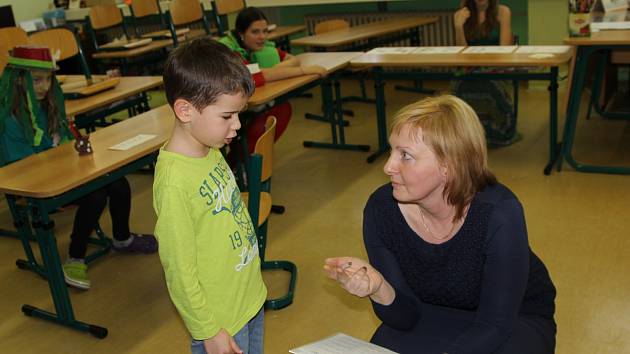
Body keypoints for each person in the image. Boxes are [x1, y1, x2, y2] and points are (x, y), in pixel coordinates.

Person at [324, 95, 556, 354]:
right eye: (392, 150)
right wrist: (379, 287)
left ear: (449, 165)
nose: (388, 166)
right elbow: (405, 318)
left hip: (514, 319)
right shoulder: (382, 209)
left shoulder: (498, 213)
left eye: (406, 156)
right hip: (428, 312)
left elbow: (495, 325)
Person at [0, 46, 157, 290]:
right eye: (36, 80)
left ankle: (122, 238)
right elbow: (24, 168)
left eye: (48, 79)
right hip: (38, 183)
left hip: (65, 172)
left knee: (117, 182)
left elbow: (62, 143)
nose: (43, 86)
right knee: (95, 195)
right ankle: (75, 256)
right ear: (20, 80)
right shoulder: (11, 119)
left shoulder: (48, 106)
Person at [153, 38, 267, 354]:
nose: (238, 126)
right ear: (185, 110)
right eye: (227, 116)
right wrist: (207, 330)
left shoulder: (210, 149)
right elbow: (179, 269)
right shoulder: (174, 183)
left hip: (248, 298)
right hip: (220, 322)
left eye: (239, 114)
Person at [219, 6, 327, 154]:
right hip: (223, 107)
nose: (262, 37)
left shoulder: (260, 48)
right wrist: (303, 71)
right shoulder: (230, 51)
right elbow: (256, 76)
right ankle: (240, 162)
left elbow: (291, 59)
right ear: (241, 34)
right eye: (255, 32)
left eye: (265, 31)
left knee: (282, 108)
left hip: (247, 102)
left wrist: (275, 70)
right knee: (275, 112)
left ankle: (251, 159)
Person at [453, 0, 519, 147]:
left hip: (496, 68)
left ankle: (495, 131)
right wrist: (459, 27)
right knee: (462, 85)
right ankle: (468, 136)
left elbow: (505, 51)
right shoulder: (460, 14)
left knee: (489, 84)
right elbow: (460, 54)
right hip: (469, 68)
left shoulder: (503, 12)